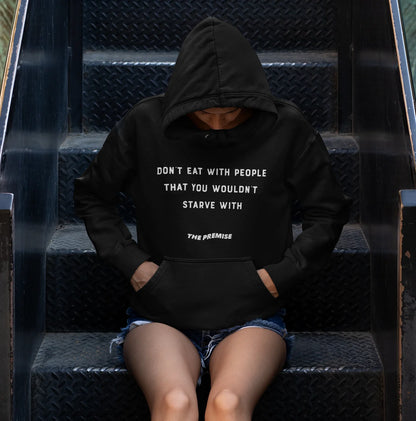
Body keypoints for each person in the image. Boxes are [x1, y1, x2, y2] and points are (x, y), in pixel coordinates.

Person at [74, 17, 350, 421]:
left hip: (252, 316)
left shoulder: (286, 127)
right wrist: (136, 267)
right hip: (159, 314)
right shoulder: (145, 124)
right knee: (175, 403)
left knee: (227, 404)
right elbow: (92, 195)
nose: (218, 124)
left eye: (231, 112)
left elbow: (328, 211)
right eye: (205, 114)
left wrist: (279, 275)